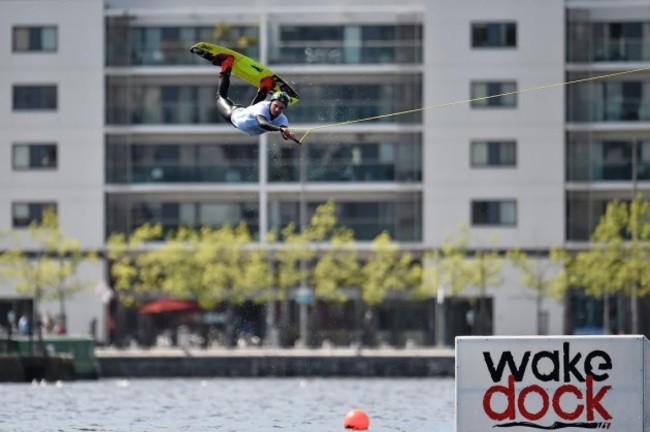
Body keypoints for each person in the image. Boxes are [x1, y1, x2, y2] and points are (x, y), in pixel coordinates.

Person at [214, 55, 299, 143]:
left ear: (284, 109)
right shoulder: (262, 107)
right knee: (220, 96)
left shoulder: (282, 118)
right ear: (271, 103)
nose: (277, 109)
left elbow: (284, 133)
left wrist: (288, 135)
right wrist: (280, 129)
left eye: (281, 108)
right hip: (233, 114)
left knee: (253, 108)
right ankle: (226, 65)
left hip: (247, 113)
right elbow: (262, 123)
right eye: (275, 105)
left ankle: (267, 85)